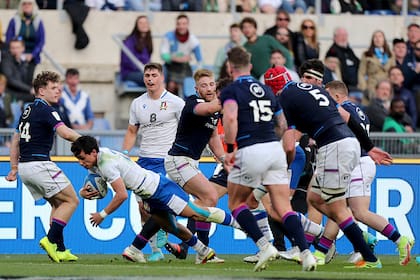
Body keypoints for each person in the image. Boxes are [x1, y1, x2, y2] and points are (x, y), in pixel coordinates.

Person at [275, 65, 393, 269]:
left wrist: (284, 165)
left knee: (338, 209)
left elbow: (289, 144)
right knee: (315, 199)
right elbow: (348, 118)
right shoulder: (317, 92)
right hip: (343, 145)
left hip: (335, 148)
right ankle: (354, 235)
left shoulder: (285, 97)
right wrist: (370, 147)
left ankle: (370, 257)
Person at [220, 46, 317, 272]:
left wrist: (232, 148)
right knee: (284, 207)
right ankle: (306, 253)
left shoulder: (231, 90)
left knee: (235, 203)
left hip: (250, 149)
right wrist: (286, 153)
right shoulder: (266, 90)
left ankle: (264, 246)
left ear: (229, 67)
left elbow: (231, 118)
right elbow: (283, 125)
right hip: (274, 149)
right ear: (251, 67)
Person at [72, 135, 238, 264]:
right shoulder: (100, 157)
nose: (81, 163)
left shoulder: (107, 164)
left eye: (82, 158)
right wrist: (82, 192)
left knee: (197, 213)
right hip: (149, 195)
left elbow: (121, 195)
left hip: (160, 189)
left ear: (93, 152)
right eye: (78, 159)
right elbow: (94, 178)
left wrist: (102, 214)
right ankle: (203, 251)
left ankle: (240, 224)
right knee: (171, 226)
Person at [316, 81, 415, 266]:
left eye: (328, 96)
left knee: (359, 212)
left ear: (337, 97)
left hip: (357, 163)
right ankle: (321, 253)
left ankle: (399, 240)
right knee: (339, 210)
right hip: (358, 163)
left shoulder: (343, 110)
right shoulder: (358, 109)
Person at [5, 71, 81, 263]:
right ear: (41, 91)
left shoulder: (27, 110)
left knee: (57, 204)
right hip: (40, 164)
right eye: (53, 88)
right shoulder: (47, 110)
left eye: (59, 88)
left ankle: (60, 249)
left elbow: (15, 140)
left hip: (25, 167)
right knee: (72, 201)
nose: (58, 92)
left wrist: (14, 167)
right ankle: (50, 240)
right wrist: (86, 140)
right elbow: (64, 133)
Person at [121, 62, 185, 262]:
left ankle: (166, 241)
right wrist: (124, 153)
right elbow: (132, 132)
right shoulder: (138, 103)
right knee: (143, 209)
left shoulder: (176, 102)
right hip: (144, 160)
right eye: (147, 75)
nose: (150, 78)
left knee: (161, 207)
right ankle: (156, 250)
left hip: (166, 161)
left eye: (154, 75)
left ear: (162, 77)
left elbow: (186, 129)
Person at [164, 69, 226, 263]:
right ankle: (201, 251)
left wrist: (224, 159)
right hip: (178, 160)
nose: (208, 88)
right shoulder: (193, 103)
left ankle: (200, 251)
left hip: (190, 162)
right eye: (204, 85)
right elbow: (206, 110)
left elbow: (213, 137)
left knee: (203, 202)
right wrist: (231, 98)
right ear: (197, 89)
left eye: (211, 84)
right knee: (210, 196)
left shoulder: (214, 111)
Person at [160, 14, 203, 97]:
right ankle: (165, 103)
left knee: (183, 87)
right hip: (170, 66)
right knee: (170, 85)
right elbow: (163, 55)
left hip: (184, 67)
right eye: (179, 24)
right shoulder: (168, 36)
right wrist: (177, 58)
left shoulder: (193, 39)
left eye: (184, 24)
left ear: (188, 25)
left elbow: (200, 60)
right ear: (176, 25)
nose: (181, 26)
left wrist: (198, 73)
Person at [5, 0, 45, 76]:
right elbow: (8, 39)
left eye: (29, 4)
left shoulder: (38, 21)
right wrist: (18, 53)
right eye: (24, 4)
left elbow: (41, 41)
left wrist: (32, 55)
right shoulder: (15, 20)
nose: (27, 6)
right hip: (16, 56)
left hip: (32, 57)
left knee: (29, 79)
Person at [358, 30, 395, 101]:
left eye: (380, 36)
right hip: (372, 85)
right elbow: (361, 73)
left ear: (384, 39)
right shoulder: (367, 54)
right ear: (372, 40)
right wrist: (364, 88)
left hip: (386, 85)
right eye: (375, 37)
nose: (377, 39)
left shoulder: (390, 54)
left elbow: (393, 71)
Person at [120, 15, 153, 87]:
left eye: (146, 23)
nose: (144, 25)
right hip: (130, 73)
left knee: (161, 75)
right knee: (152, 79)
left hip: (143, 72)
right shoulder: (129, 41)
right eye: (141, 23)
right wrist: (144, 70)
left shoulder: (148, 41)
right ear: (136, 26)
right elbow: (127, 61)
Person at [325, 27, 360, 93]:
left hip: (355, 84)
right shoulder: (332, 51)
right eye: (341, 36)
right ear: (335, 37)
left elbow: (357, 62)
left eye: (345, 35)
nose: (344, 38)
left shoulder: (348, 49)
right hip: (345, 86)